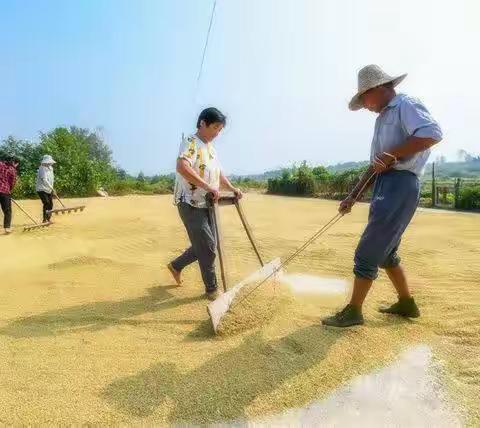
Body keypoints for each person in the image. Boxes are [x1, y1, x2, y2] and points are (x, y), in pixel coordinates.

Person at [322, 64, 443, 327]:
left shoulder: (405, 105)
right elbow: (376, 163)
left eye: (364, 98)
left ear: (377, 88)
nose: (365, 105)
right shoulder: (381, 119)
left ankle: (353, 312)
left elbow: (432, 133)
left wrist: (393, 155)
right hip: (384, 184)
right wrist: (352, 196)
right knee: (386, 253)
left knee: (368, 250)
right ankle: (407, 304)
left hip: (401, 183)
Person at [167, 107, 243, 300]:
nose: (217, 133)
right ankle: (212, 289)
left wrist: (232, 189)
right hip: (190, 203)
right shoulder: (191, 142)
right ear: (203, 123)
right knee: (208, 247)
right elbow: (182, 166)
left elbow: (218, 175)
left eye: (220, 129)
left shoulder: (211, 149)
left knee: (208, 244)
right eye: (216, 127)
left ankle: (176, 266)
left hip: (208, 204)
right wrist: (207, 187)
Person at [0, 156, 19, 234]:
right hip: (5, 191)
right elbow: (12, 182)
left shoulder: (0, 164)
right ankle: (7, 228)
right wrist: (9, 190)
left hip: (4, 190)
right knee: (7, 210)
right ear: (14, 163)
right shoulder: (12, 170)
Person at [36, 155, 56, 223]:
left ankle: (48, 219)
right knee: (46, 203)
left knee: (51, 204)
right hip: (41, 188)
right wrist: (52, 188)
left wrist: (52, 189)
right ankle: (44, 219)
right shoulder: (42, 168)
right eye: (49, 162)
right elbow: (44, 180)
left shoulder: (51, 168)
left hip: (49, 189)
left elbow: (51, 179)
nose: (50, 163)